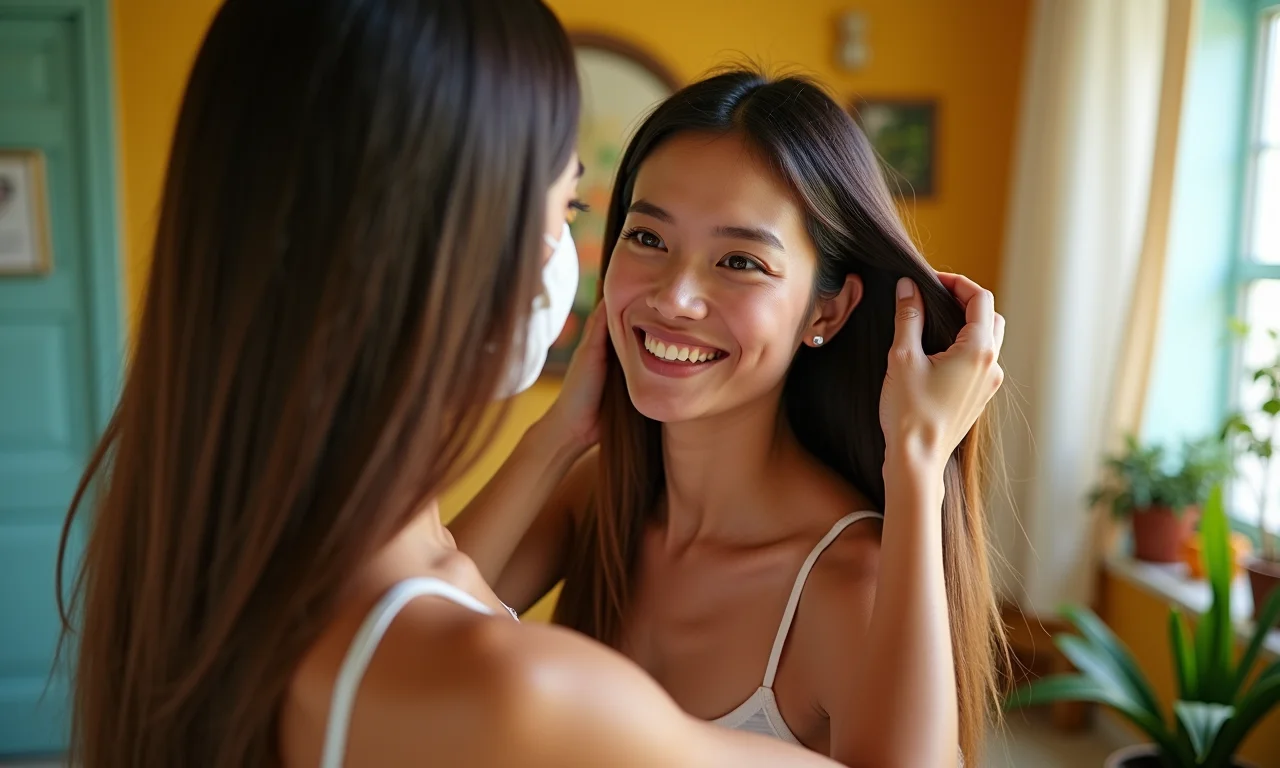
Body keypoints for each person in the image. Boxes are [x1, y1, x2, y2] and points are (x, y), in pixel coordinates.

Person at [50, 3, 890, 766]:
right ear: (445, 251)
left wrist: (554, 435)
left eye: (740, 259)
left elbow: (445, 576)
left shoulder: (205, 556)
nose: (672, 297)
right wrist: (920, 459)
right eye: (570, 214)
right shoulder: (519, 689)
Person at [451, 70, 1007, 766]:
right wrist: (558, 434)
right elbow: (391, 643)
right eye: (647, 238)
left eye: (740, 260)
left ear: (825, 311)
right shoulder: (596, 497)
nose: (675, 298)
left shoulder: (848, 585)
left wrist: (918, 459)